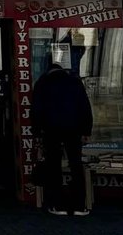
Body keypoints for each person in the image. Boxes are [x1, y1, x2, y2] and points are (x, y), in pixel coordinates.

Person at [32, 61, 94, 216]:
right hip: (73, 129)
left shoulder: (42, 83)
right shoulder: (74, 82)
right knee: (76, 164)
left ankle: (57, 205)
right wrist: (86, 130)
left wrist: (37, 132)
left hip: (51, 129)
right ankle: (79, 205)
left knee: (53, 165)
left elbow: (36, 109)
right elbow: (85, 107)